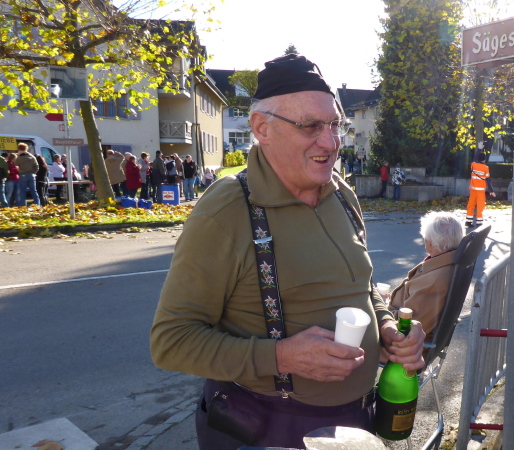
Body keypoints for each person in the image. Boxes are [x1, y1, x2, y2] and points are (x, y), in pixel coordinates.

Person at [150, 54, 425, 450]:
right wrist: (281, 357)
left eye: (335, 125)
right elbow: (171, 341)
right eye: (310, 126)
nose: (330, 142)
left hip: (356, 423)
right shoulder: (227, 209)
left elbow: (362, 287)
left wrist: (386, 328)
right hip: (269, 430)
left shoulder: (342, 194)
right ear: (262, 128)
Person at [386, 212, 464, 344]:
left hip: (400, 346)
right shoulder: (445, 262)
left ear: (430, 242)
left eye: (425, 237)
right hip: (399, 321)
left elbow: (407, 329)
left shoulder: (435, 280)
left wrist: (382, 311)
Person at [465, 152, 496, 228]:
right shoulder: (485, 168)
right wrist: (491, 191)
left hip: (473, 189)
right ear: (484, 159)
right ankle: (479, 222)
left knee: (471, 204)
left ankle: (468, 222)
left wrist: (479, 149)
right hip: (480, 190)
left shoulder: (473, 165)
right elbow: (488, 180)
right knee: (480, 205)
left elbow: (474, 159)